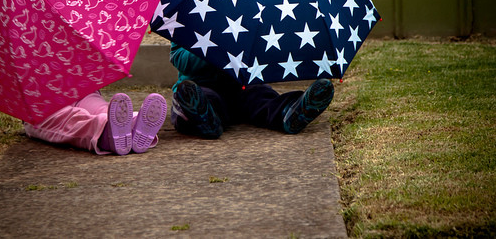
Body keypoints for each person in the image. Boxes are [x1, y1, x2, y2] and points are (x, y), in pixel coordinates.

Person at [169, 42, 334, 139]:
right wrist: (213, 48)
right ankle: (204, 121)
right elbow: (179, 59)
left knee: (261, 97)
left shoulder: (248, 16)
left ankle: (289, 112)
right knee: (205, 100)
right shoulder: (189, 17)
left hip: (241, 86)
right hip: (203, 87)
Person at [24, 91, 167, 155]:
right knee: (96, 110)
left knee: (70, 121)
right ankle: (130, 124)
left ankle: (109, 131)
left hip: (42, 98)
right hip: (76, 87)